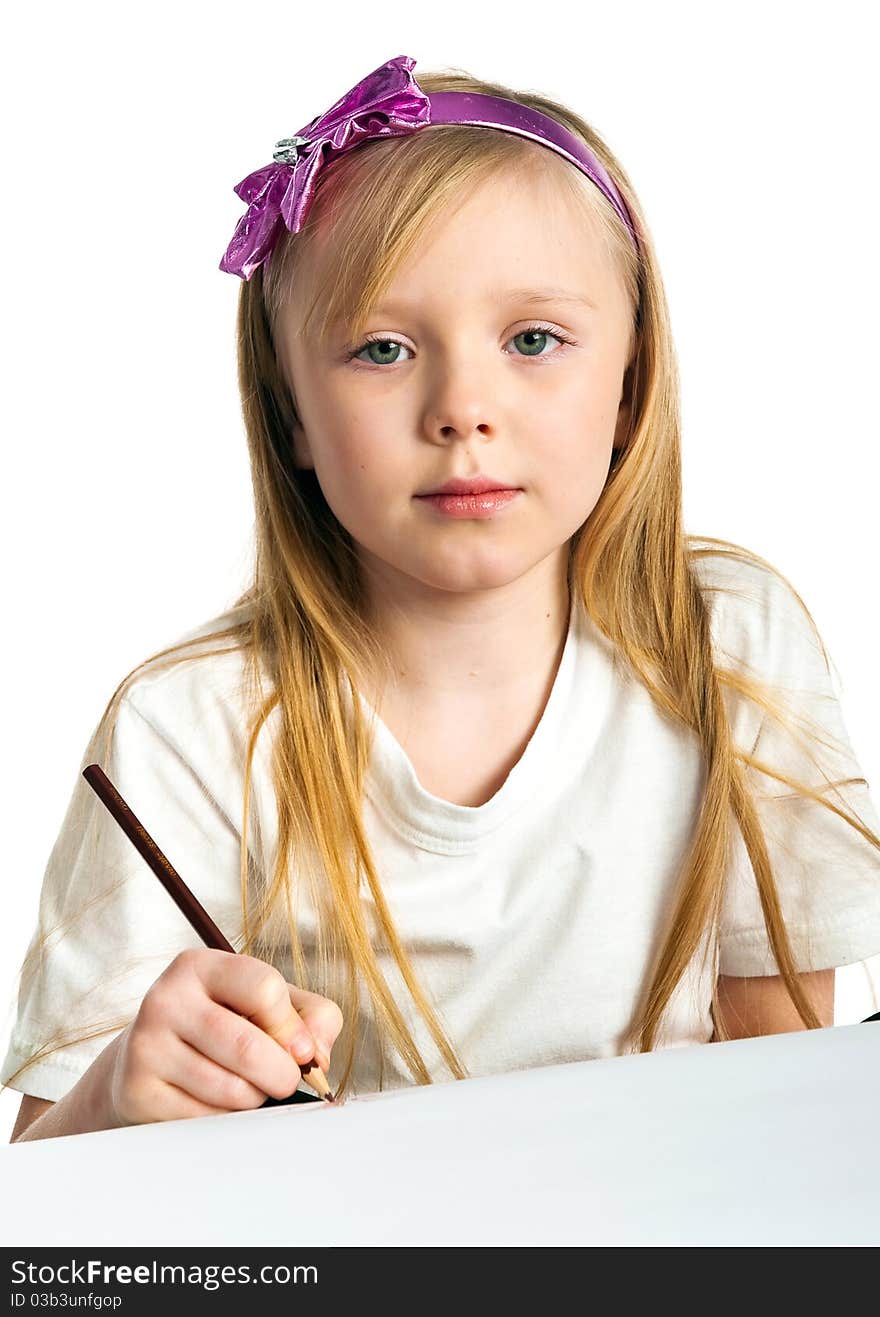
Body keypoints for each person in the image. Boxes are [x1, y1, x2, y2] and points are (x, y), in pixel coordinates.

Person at [5, 54, 880, 1143]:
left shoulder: (726, 639)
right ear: (290, 420)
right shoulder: (190, 730)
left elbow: (790, 1106)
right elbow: (45, 1223)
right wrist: (109, 1104)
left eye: (532, 340)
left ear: (630, 385)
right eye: (381, 348)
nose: (463, 407)